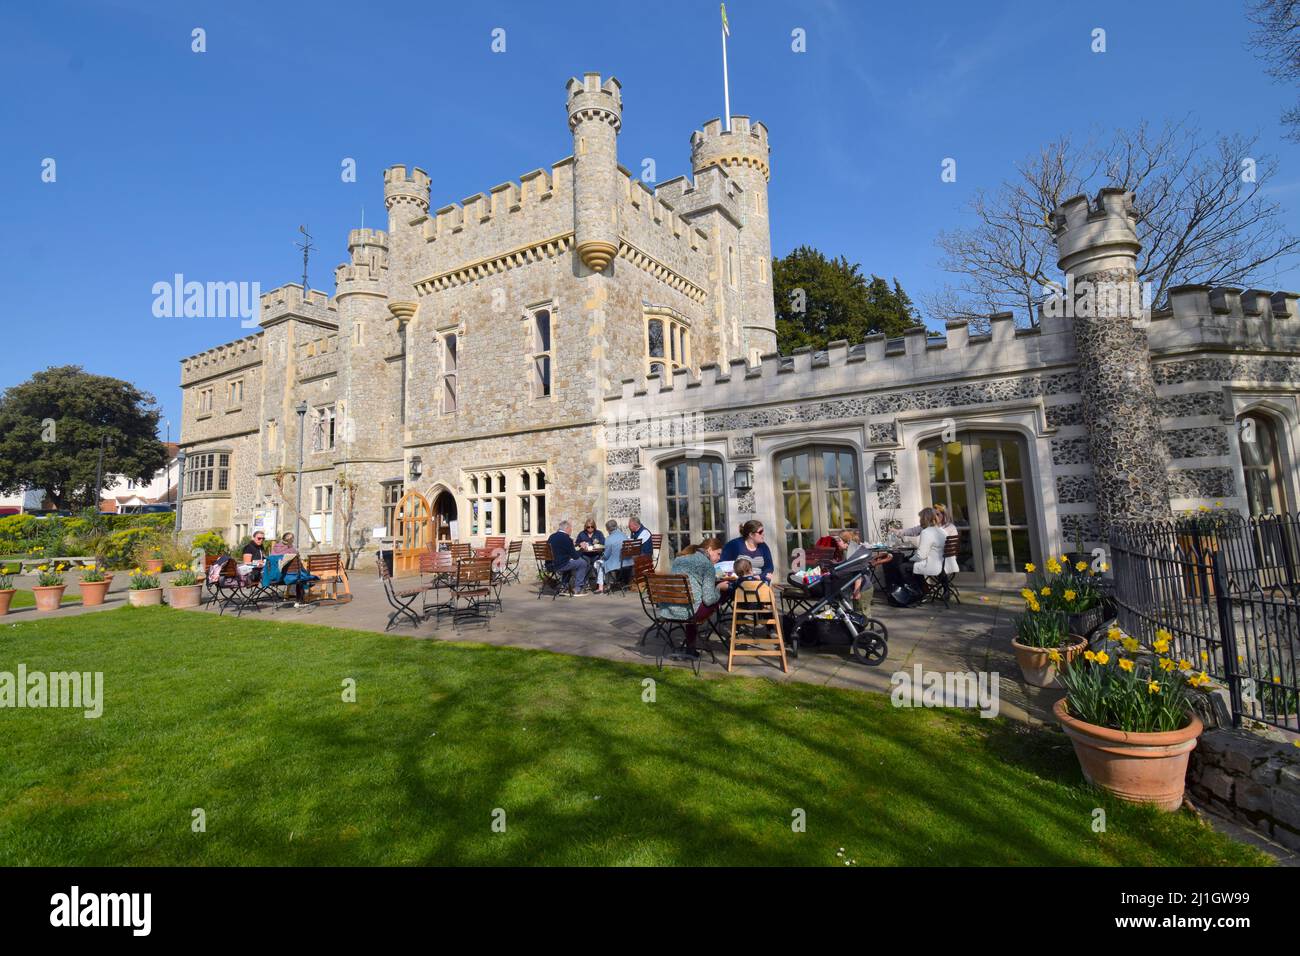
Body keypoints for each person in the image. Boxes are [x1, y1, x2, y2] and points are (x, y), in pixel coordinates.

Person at [657, 537, 731, 658]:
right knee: (722, 593)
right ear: (710, 549)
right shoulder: (707, 565)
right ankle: (693, 645)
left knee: (693, 601)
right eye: (718, 554)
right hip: (691, 613)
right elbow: (708, 600)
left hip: (669, 610)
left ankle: (690, 647)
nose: (719, 558)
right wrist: (718, 588)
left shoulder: (680, 558)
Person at [547, 520, 590, 596]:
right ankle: (578, 589)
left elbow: (560, 549)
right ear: (566, 529)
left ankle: (564, 587)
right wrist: (582, 548)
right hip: (560, 565)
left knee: (570, 562)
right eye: (570, 528)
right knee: (582, 563)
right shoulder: (567, 539)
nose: (571, 530)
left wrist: (574, 545)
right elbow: (575, 556)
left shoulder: (552, 536)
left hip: (550, 565)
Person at [596, 519, 629, 593]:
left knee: (600, 563)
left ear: (607, 529)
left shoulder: (609, 539)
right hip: (628, 562)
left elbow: (606, 556)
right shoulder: (624, 535)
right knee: (605, 562)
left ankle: (602, 587)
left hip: (617, 564)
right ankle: (609, 583)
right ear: (616, 526)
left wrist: (601, 555)